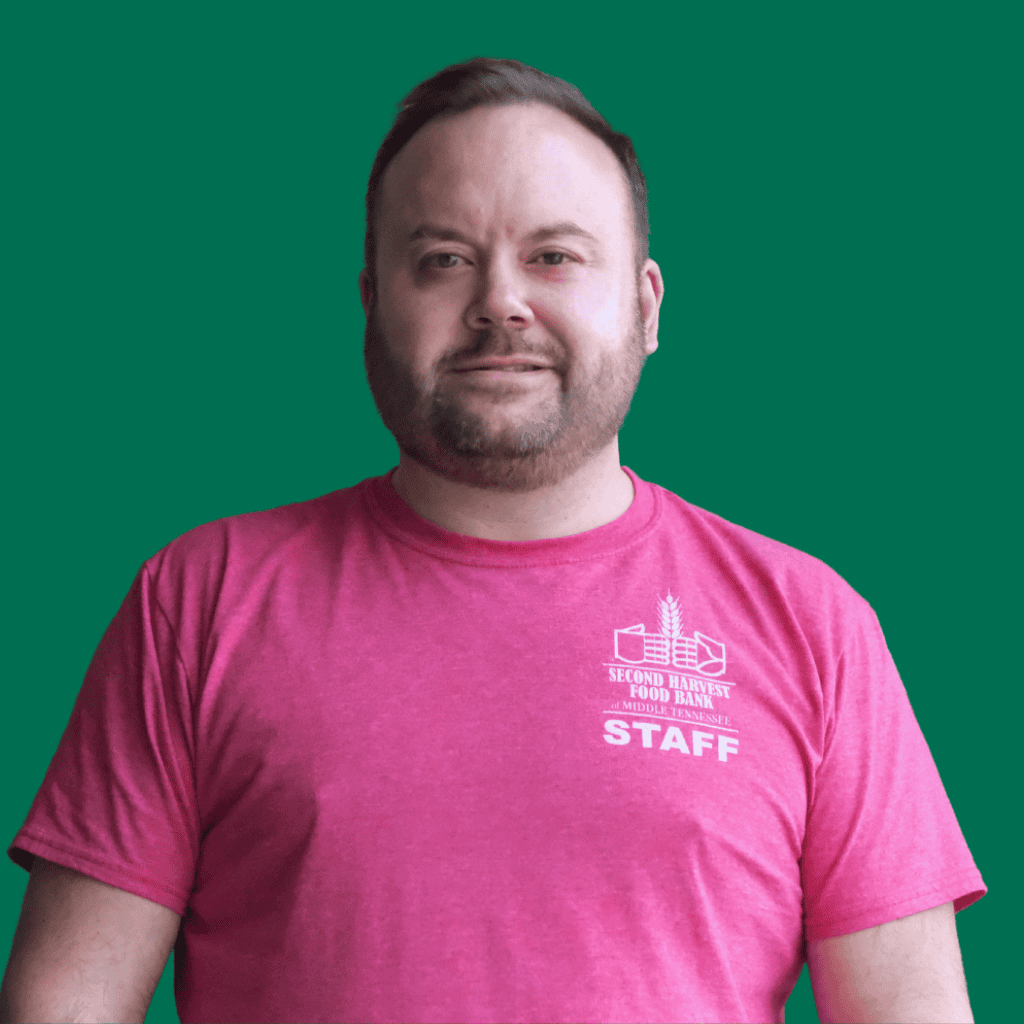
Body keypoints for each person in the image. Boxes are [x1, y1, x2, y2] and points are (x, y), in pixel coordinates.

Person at [1, 57, 984, 1024]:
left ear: (646, 306)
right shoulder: (204, 598)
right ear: (371, 303)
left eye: (553, 256)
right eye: (443, 259)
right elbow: (63, 1004)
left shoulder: (811, 623)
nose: (498, 301)